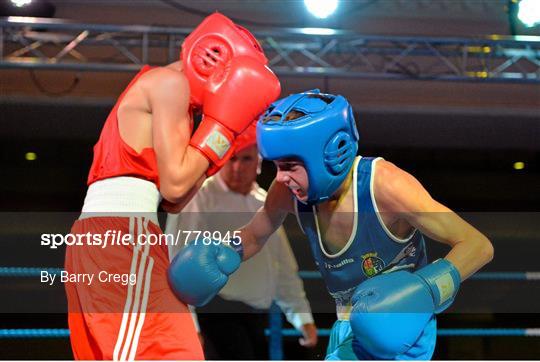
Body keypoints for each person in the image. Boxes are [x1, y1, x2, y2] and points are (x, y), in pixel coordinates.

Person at [168, 89, 494, 360]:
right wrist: (224, 253)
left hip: (400, 332)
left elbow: (477, 246)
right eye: (277, 166)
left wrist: (425, 289)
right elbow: (256, 233)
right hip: (348, 327)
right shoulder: (289, 189)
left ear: (330, 154)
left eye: (291, 165)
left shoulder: (384, 185)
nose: (280, 177)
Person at [64, 13, 280, 360]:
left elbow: (173, 200)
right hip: (122, 235)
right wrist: (224, 128)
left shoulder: (176, 99)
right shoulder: (169, 83)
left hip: (122, 233)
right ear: (212, 59)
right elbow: (177, 186)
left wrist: (225, 135)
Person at [165, 124, 318, 359]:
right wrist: (189, 325)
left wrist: (302, 317)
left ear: (258, 161)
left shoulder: (265, 201)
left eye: (245, 159)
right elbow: (178, 261)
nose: (237, 167)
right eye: (232, 159)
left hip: (255, 316)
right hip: (215, 314)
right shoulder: (199, 196)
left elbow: (282, 266)